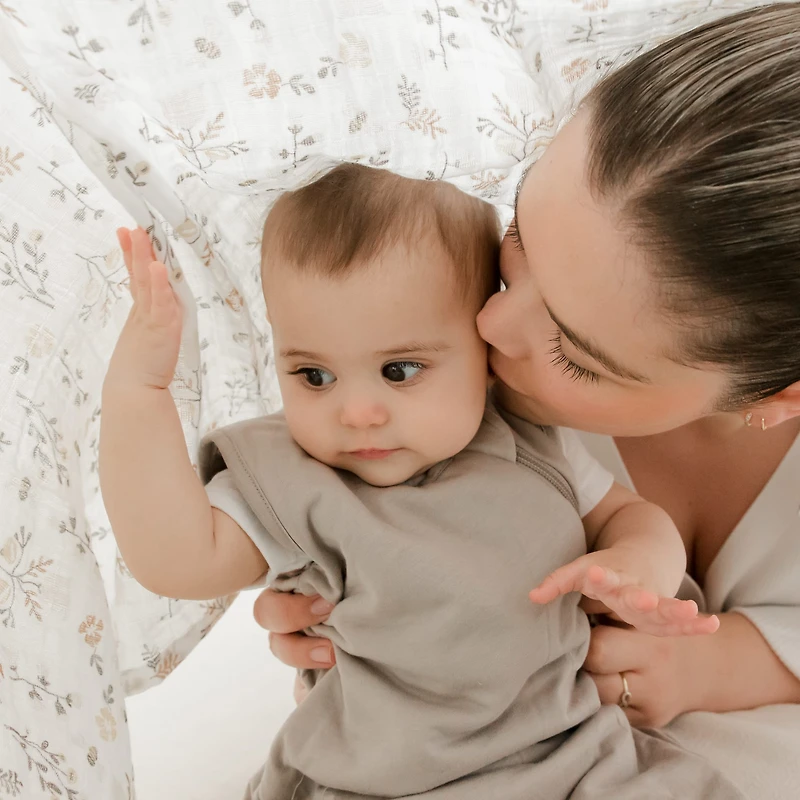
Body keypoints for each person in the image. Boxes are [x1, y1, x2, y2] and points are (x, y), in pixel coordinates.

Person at [252, 4, 800, 797]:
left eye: (576, 356)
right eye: (515, 247)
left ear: (781, 396)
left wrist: (728, 662)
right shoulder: (447, 399)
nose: (489, 324)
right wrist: (357, 631)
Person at [101, 164, 727, 799]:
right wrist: (139, 395)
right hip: (383, 784)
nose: (356, 412)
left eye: (399, 370)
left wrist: (638, 565)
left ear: (484, 350)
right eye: (314, 376)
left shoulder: (525, 439)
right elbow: (177, 560)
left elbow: (632, 517)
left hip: (570, 757)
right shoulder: (292, 480)